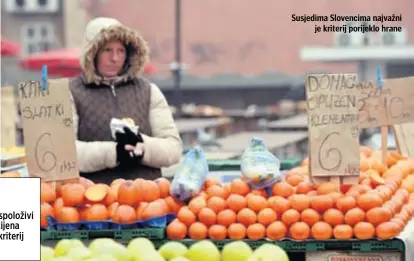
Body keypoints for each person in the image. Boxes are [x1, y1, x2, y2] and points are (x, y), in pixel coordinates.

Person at [69, 17, 182, 184]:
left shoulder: (149, 91)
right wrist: (114, 152)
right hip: (95, 200)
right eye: (107, 50)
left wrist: (142, 146)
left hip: (148, 198)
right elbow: (65, 153)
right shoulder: (71, 92)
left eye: (120, 51)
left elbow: (173, 149)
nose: (115, 58)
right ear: (92, 53)